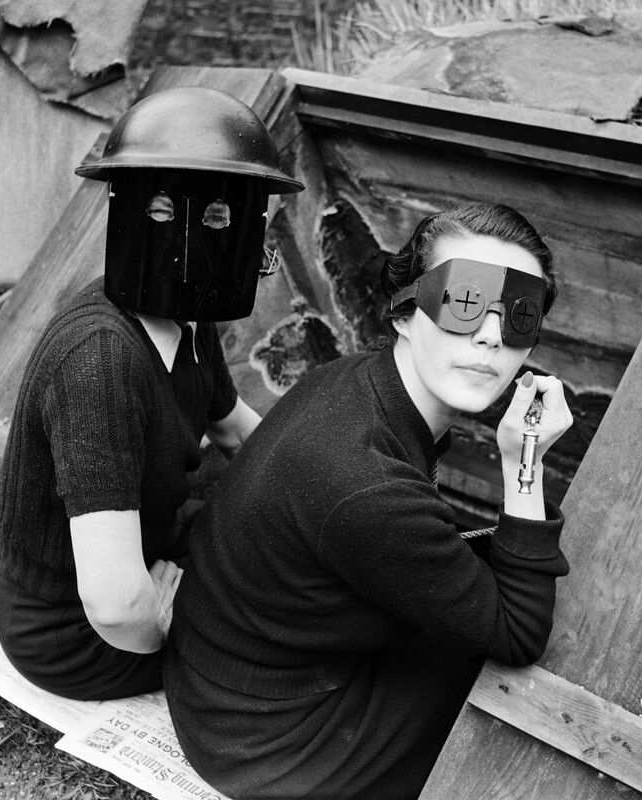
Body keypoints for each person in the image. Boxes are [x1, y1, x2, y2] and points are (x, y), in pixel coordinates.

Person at [164, 202, 573, 799]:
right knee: (534, 675)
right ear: (405, 313)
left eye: (519, 316)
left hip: (228, 682)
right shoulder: (367, 487)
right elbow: (519, 633)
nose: (490, 335)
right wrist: (526, 460)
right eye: (463, 302)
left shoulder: (360, 380)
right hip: (275, 744)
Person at [0, 86, 304, 701]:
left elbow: (236, 430)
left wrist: (313, 500)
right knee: (277, 645)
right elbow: (112, 605)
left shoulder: (186, 316)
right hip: (74, 632)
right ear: (128, 212)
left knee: (282, 576)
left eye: (220, 218)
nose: (195, 237)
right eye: (162, 212)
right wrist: (168, 622)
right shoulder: (101, 360)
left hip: (153, 548)